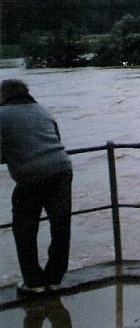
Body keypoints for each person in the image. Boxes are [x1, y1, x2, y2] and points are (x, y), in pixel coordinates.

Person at [0, 79, 73, 297]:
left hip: (31, 177)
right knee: (60, 226)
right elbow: (55, 139)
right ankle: (54, 279)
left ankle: (34, 282)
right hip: (62, 169)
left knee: (24, 230)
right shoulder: (43, 110)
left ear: (4, 96)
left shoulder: (1, 115)